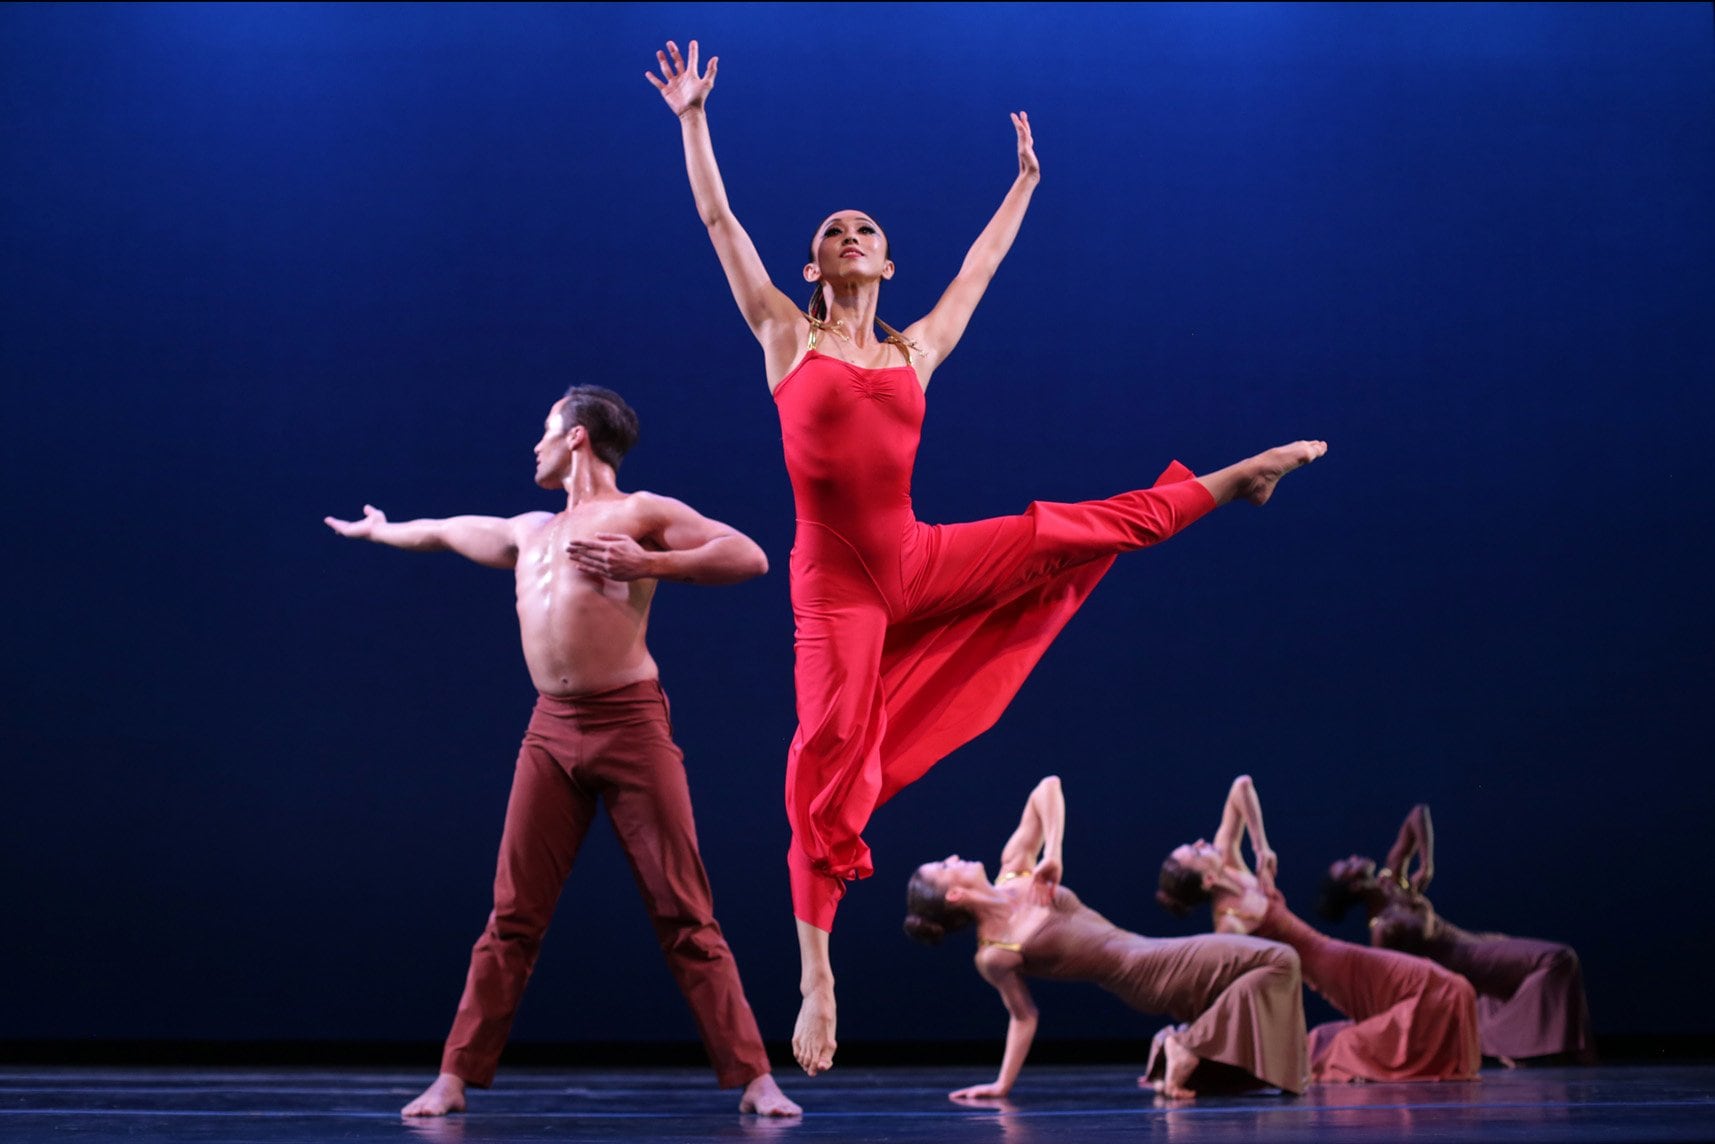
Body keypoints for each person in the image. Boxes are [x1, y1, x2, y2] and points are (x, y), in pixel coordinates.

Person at [647, 38, 1328, 1076]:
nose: (846, 235)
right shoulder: (788, 338)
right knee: (824, 757)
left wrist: (1020, 185)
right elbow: (716, 223)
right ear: (813, 266)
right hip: (835, 590)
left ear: (881, 262)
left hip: (917, 559)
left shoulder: (914, 350)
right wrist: (693, 122)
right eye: (831, 231)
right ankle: (816, 974)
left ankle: (1235, 478)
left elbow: (979, 272)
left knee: (1061, 530)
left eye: (862, 230)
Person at [324, 386, 799, 1117]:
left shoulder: (641, 513)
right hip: (550, 731)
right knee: (512, 915)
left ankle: (755, 1078)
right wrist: (383, 531)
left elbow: (750, 556)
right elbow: (448, 531)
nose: (534, 445)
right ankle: (453, 1077)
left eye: (544, 430)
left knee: (683, 908)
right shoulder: (529, 530)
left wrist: (648, 565)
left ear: (577, 436)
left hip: (631, 725)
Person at [904, 776, 1308, 1101]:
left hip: (1150, 950)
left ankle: (1183, 1044)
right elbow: (1023, 1017)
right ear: (953, 895)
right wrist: (1002, 1085)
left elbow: (1048, 787)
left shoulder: (1015, 869)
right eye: (944, 866)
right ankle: (1187, 1044)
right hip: (1143, 974)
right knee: (1281, 959)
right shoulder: (994, 952)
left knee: (1273, 964)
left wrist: (1054, 852)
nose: (953, 857)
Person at [1158, 776, 1480, 1083]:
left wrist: (1261, 848)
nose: (1201, 842)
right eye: (1196, 852)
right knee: (1446, 989)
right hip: (1332, 974)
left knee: (1447, 986)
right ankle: (1186, 1046)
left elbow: (1242, 786)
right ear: (1208, 880)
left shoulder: (1231, 863)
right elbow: (1226, 988)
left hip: (1339, 955)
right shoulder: (1230, 922)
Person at [1319, 804, 1595, 1066]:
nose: (1353, 857)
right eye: (1347, 864)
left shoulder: (1393, 880)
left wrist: (1426, 864)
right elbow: (1391, 984)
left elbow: (1418, 813)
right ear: (1354, 885)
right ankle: (1493, 1039)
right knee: (1558, 958)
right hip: (1471, 965)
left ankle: (1515, 1041)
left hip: (1482, 944)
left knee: (1542, 973)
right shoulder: (1384, 928)